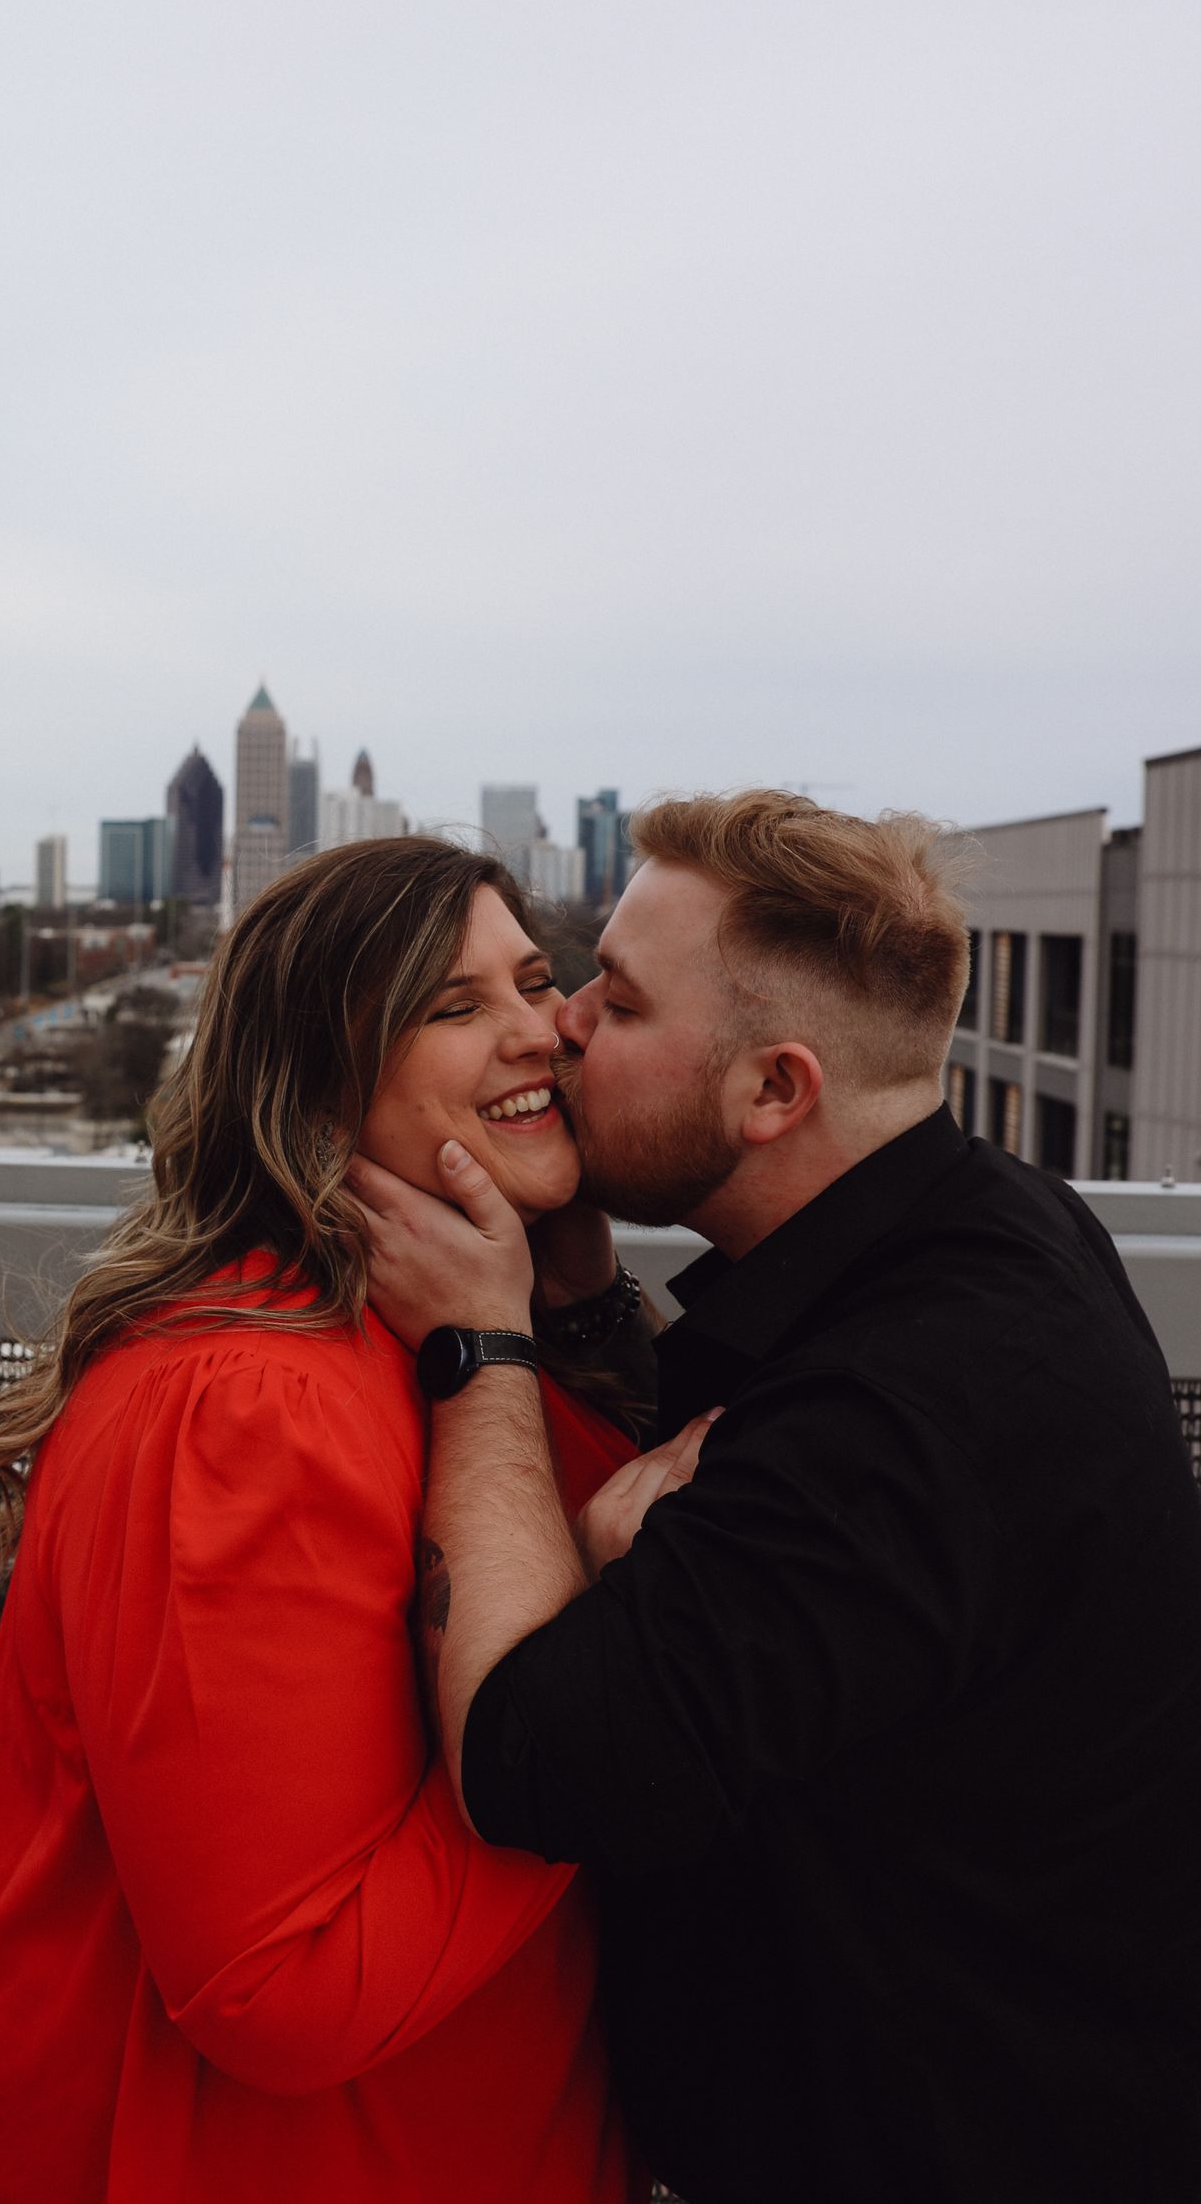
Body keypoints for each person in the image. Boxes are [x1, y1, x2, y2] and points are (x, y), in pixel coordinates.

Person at [352, 789, 1201, 2204]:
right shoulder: (990, 1227)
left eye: (614, 1005)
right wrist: (587, 1312)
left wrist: (480, 1343)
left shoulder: (907, 1409)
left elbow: (523, 1758)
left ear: (773, 1092)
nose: (564, 1030)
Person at [0, 836, 648, 2204]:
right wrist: (606, 1720)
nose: (540, 1029)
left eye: (539, 982)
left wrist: (573, 1302)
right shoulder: (242, 1409)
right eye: (455, 1004)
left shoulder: (463, 1336)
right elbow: (284, 1982)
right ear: (315, 1077)